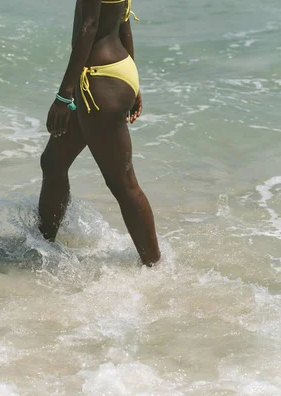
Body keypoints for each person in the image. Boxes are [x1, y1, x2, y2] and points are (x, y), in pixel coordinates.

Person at [38, 0, 161, 266]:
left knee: (123, 183)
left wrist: (63, 95)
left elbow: (89, 25)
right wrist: (133, 81)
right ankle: (42, 248)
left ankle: (155, 268)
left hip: (98, 80)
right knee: (53, 162)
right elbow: (123, 18)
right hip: (116, 69)